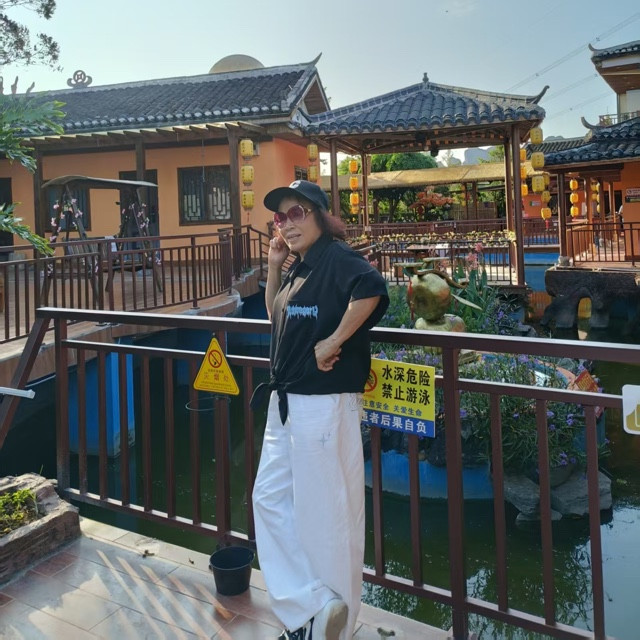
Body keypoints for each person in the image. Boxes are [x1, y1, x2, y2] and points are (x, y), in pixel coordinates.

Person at [251, 180, 389, 640]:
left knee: (326, 515)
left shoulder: (335, 257)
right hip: (287, 402)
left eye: (297, 213)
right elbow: (276, 315)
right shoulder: (299, 267)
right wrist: (274, 267)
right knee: (268, 499)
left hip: (323, 403)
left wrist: (333, 341)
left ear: (321, 216)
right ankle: (313, 606)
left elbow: (371, 288)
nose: (287, 224)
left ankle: (335, 624)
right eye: (280, 217)